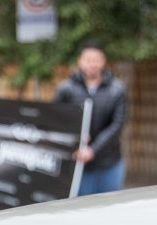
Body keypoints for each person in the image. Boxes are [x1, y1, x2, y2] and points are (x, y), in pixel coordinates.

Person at [55, 41, 129, 196]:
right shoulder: (66, 89)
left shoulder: (117, 90)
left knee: (110, 208)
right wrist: (74, 141)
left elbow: (117, 124)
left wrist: (93, 149)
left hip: (109, 162)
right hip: (78, 165)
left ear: (103, 61)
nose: (92, 64)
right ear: (79, 61)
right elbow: (57, 121)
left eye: (96, 60)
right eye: (88, 60)